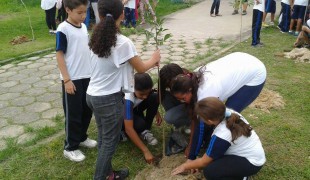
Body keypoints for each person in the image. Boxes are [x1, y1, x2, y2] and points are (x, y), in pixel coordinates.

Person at [86, 0, 161, 179]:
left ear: (100, 15)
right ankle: (100, 177)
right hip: (108, 99)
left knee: (104, 138)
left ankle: (108, 174)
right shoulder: (122, 42)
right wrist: (155, 58)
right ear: (122, 14)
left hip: (92, 95)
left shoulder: (96, 37)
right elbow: (141, 68)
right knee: (109, 143)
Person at [169, 52, 266, 159]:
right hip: (240, 62)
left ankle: (229, 147)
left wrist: (192, 157)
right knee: (213, 120)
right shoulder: (190, 79)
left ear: (190, 90)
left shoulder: (205, 92)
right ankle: (209, 143)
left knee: (227, 116)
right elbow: (196, 121)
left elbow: (200, 127)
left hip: (254, 72)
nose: (183, 102)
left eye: (183, 98)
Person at [171, 97, 266, 179]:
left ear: (209, 120)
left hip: (251, 162)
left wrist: (185, 166)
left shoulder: (222, 134)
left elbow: (204, 162)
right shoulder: (229, 113)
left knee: (210, 172)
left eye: (201, 117)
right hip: (250, 154)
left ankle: (241, 176)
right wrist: (195, 163)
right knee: (212, 158)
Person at [56, 0, 97, 162]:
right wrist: (67, 80)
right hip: (72, 79)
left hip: (87, 76)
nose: (84, 16)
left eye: (85, 12)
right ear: (68, 10)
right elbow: (59, 55)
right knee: (73, 114)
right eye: (79, 13)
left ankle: (81, 137)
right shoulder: (63, 29)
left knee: (87, 110)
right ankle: (70, 147)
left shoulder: (84, 27)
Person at [122, 73, 162, 164]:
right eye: (142, 94)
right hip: (121, 115)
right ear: (133, 88)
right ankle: (121, 132)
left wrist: (157, 113)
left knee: (154, 97)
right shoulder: (128, 98)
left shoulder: (146, 92)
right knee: (140, 124)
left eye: (147, 93)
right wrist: (146, 151)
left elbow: (150, 97)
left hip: (135, 110)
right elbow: (129, 128)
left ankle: (145, 130)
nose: (145, 96)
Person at [159, 63, 191, 132]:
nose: (172, 85)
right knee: (164, 96)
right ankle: (179, 124)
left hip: (191, 106)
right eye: (169, 84)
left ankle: (189, 123)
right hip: (182, 107)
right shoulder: (165, 88)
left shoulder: (189, 80)